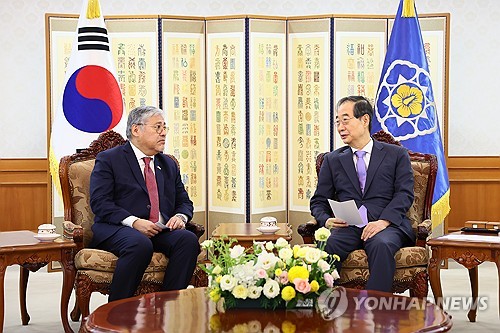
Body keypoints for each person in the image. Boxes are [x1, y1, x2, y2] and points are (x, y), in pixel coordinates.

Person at [89, 105, 199, 302]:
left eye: (165, 127)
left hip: (158, 229)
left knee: (188, 240)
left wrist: (180, 217)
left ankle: (168, 307)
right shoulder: (109, 159)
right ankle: (116, 312)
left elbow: (184, 201)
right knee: (139, 244)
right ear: (136, 129)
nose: (163, 133)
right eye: (157, 127)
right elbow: (100, 203)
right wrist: (134, 222)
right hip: (118, 228)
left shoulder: (168, 164)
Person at [310, 96, 415, 292]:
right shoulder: (332, 160)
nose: (340, 127)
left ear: (364, 120)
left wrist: (383, 222)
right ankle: (325, 305)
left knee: (382, 245)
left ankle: (376, 311)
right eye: (337, 122)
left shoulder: (396, 155)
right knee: (329, 243)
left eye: (346, 120)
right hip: (348, 225)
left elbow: (404, 194)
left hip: (385, 224)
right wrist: (326, 221)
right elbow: (318, 200)